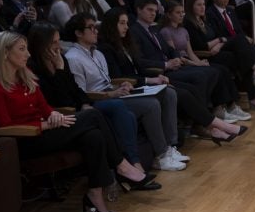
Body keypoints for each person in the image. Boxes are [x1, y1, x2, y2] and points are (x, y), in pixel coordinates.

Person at [0, 31, 159, 212]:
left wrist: (54, 114)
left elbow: (45, 108)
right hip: (26, 141)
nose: (28, 54)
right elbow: (5, 125)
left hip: (45, 131)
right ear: (5, 53)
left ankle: (95, 197)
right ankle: (121, 165)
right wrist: (44, 125)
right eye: (22, 49)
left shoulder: (26, 77)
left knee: (93, 137)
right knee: (92, 116)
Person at [27, 21, 167, 176]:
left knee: (126, 114)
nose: (58, 46)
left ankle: (133, 163)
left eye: (58, 40)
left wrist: (85, 103)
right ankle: (129, 166)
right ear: (41, 44)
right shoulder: (34, 68)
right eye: (53, 42)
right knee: (116, 109)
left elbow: (76, 89)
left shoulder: (61, 59)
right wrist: (60, 71)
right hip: (63, 114)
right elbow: (60, 100)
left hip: (81, 106)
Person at [96, 8, 246, 145]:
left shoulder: (125, 43)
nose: (126, 27)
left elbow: (140, 66)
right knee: (183, 93)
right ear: (111, 25)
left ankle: (209, 127)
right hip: (130, 87)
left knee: (191, 89)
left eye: (126, 23)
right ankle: (218, 126)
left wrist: (157, 77)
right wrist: (152, 79)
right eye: (122, 23)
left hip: (144, 80)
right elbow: (120, 76)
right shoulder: (106, 48)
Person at [62, 14, 188, 171]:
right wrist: (111, 93)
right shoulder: (73, 58)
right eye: (91, 28)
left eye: (96, 27)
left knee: (168, 93)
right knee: (151, 105)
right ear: (78, 33)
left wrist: (121, 85)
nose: (95, 31)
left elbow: (108, 81)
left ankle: (170, 146)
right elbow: (81, 93)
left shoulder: (98, 53)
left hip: (111, 92)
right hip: (99, 100)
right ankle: (161, 155)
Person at [160, 0, 250, 122]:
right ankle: (215, 110)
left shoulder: (183, 30)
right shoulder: (165, 31)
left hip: (189, 60)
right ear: (169, 15)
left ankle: (229, 106)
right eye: (177, 12)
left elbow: (190, 53)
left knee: (221, 69)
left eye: (182, 12)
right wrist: (198, 64)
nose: (181, 15)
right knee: (212, 71)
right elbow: (174, 55)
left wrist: (200, 63)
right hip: (179, 63)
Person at [184, 0, 255, 111]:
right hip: (207, 56)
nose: (202, 7)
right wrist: (219, 40)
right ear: (191, 7)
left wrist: (220, 42)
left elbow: (217, 37)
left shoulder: (204, 20)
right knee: (241, 52)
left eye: (204, 4)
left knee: (242, 51)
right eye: (198, 5)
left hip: (217, 49)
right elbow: (202, 45)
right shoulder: (188, 24)